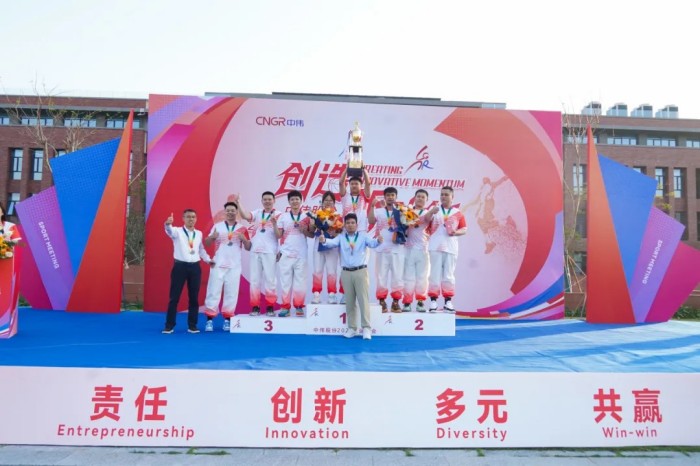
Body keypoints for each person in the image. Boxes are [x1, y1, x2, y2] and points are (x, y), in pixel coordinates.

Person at [320, 213, 382, 340]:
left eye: (352, 223)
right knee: (349, 301)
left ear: (356, 225)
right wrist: (324, 240)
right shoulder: (341, 237)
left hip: (361, 271)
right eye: (347, 223)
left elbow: (372, 243)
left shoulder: (363, 236)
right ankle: (352, 328)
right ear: (344, 225)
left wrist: (378, 240)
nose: (350, 225)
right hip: (346, 272)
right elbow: (331, 243)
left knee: (363, 300)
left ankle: (366, 328)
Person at [162, 209, 214, 334]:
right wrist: (168, 224)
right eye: (188, 217)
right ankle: (169, 326)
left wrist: (208, 260)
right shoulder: (177, 231)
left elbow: (201, 249)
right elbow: (169, 231)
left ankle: (192, 326)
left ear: (196, 219)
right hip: (180, 267)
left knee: (194, 298)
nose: (191, 219)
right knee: (174, 297)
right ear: (183, 218)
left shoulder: (199, 233)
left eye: (193, 217)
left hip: (195, 267)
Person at [202, 201, 251, 332]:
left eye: (232, 210)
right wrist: (212, 237)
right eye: (228, 210)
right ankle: (209, 320)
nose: (230, 212)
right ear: (225, 212)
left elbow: (248, 247)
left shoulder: (242, 228)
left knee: (231, 293)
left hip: (234, 266)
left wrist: (244, 239)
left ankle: (227, 320)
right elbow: (207, 243)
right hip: (218, 264)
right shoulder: (217, 226)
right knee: (213, 291)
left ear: (236, 212)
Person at [238, 191, 280, 316]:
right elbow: (245, 215)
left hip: (270, 251)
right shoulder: (257, 213)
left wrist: (280, 250)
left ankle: (270, 306)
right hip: (255, 250)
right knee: (255, 280)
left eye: (269, 199)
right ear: (262, 201)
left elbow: (280, 235)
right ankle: (255, 306)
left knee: (270, 280)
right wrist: (238, 202)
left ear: (274, 201)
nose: (267, 201)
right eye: (265, 199)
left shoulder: (279, 215)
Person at [274, 190, 314, 317]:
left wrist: (304, 230)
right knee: (285, 282)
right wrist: (274, 224)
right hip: (286, 254)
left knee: (300, 282)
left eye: (297, 199)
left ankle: (299, 306)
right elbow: (278, 235)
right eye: (292, 199)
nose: (295, 201)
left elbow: (312, 235)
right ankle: (285, 307)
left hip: (301, 254)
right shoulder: (283, 217)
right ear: (289, 202)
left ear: (301, 201)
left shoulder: (307, 216)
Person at [427, 186, 468, 312]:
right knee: (434, 274)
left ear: (452, 197)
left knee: (448, 275)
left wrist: (456, 232)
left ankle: (448, 302)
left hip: (451, 248)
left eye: (446, 194)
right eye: (442, 194)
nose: (443, 197)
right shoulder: (435, 210)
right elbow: (425, 222)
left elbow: (464, 229)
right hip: (435, 246)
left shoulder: (457, 213)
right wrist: (430, 212)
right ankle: (433, 301)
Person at [368, 186, 405, 313]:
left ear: (396, 197)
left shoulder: (401, 211)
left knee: (397, 277)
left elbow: (407, 225)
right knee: (381, 277)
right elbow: (371, 221)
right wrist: (372, 206)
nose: (390, 197)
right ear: (384, 197)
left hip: (397, 249)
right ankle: (382, 301)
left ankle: (396, 302)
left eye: (392, 195)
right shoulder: (378, 211)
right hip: (381, 249)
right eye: (388, 195)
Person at [338, 167, 372, 303]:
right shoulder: (345, 197)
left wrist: (363, 170)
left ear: (360, 185)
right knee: (345, 264)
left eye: (356, 184)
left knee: (361, 265)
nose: (353, 186)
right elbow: (340, 183)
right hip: (346, 232)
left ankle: (361, 293)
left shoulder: (364, 196)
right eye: (351, 183)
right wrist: (347, 169)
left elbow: (368, 183)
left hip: (361, 233)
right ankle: (345, 293)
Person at [402, 189, 437, 312]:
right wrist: (405, 212)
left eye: (423, 197)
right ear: (415, 198)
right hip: (409, 249)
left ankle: (420, 302)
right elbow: (406, 223)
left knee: (422, 277)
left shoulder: (428, 213)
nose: (420, 199)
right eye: (418, 196)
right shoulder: (407, 211)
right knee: (408, 277)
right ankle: (407, 302)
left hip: (423, 249)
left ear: (426, 200)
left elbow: (425, 219)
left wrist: (431, 211)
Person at [311, 191, 341, 304]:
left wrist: (335, 233)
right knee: (317, 270)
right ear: (322, 202)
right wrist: (312, 223)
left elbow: (340, 231)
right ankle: (316, 294)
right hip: (318, 243)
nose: (328, 202)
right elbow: (312, 230)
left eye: (330, 201)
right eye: (326, 200)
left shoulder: (337, 216)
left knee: (332, 271)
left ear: (334, 203)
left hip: (332, 245)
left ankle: (332, 294)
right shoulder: (317, 214)